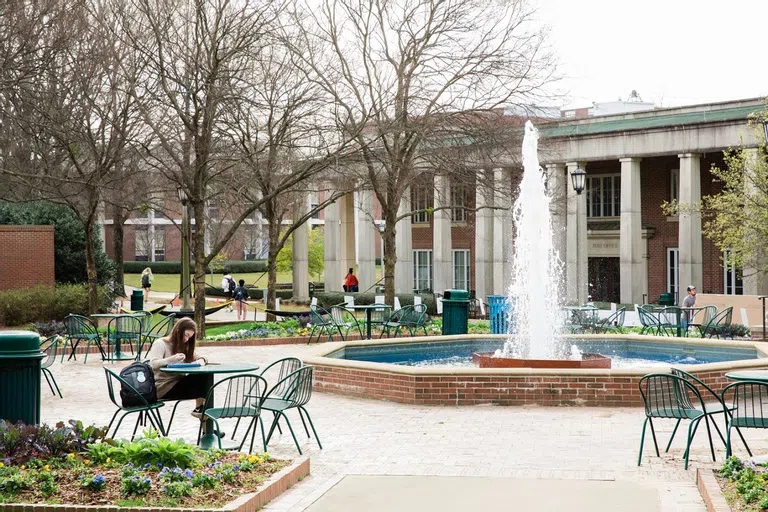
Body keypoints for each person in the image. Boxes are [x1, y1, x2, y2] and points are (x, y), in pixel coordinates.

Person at [147, 317, 209, 417]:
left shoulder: (184, 346)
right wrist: (171, 359)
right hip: (163, 387)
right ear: (178, 330)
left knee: (206, 381)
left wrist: (201, 360)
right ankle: (200, 411)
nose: (186, 339)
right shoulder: (160, 344)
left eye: (190, 337)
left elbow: (201, 357)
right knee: (203, 382)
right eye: (186, 335)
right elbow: (153, 364)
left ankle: (201, 414)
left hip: (179, 383)